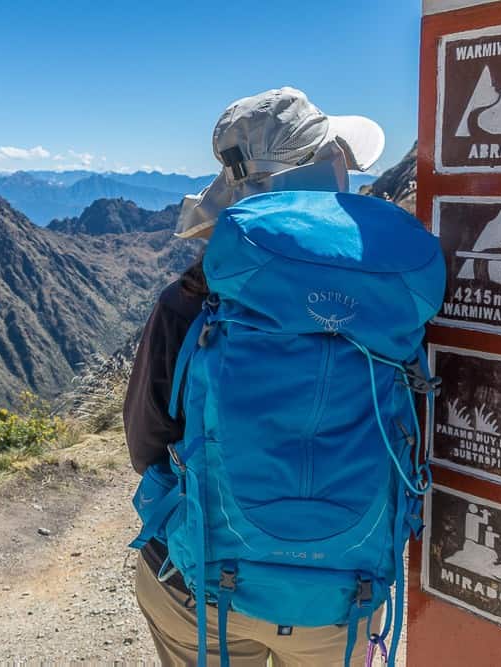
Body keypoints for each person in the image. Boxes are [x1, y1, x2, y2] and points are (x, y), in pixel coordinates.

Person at [123, 87, 389, 666]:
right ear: (330, 172)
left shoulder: (189, 303)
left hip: (202, 593)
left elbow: (146, 445)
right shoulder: (394, 300)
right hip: (341, 597)